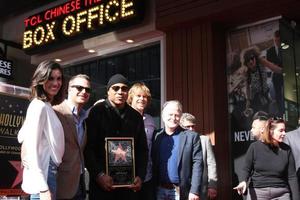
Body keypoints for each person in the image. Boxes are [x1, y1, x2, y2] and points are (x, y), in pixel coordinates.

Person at [84, 74, 148, 200]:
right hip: (101, 186)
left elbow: (142, 150)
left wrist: (140, 176)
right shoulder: (97, 112)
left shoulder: (136, 117)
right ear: (108, 91)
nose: (120, 92)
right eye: (116, 88)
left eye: (124, 89)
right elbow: (88, 148)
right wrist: (99, 175)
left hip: (128, 187)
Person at [18, 60, 66, 200]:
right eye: (50, 78)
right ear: (41, 79)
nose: (56, 83)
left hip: (49, 173)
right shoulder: (39, 106)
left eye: (59, 78)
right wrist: (43, 187)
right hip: (45, 175)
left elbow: (23, 135)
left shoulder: (45, 105)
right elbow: (31, 146)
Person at [234, 118, 300, 200]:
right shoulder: (255, 147)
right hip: (258, 192)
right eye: (281, 130)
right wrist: (243, 181)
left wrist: (296, 198)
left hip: (281, 193)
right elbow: (246, 169)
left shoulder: (286, 149)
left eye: (284, 130)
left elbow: (292, 177)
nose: (284, 133)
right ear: (270, 131)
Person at [152, 100, 203, 200]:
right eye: (170, 114)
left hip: (180, 191)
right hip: (159, 190)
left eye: (176, 115)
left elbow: (198, 164)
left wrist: (194, 190)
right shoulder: (156, 136)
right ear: (163, 115)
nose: (173, 118)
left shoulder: (191, 136)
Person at [53, 74, 91, 199]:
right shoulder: (56, 112)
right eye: (79, 88)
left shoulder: (85, 118)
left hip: (79, 183)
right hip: (59, 185)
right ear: (69, 89)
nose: (84, 92)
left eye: (87, 89)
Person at [127, 82, 156, 200]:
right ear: (131, 98)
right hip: (128, 176)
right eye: (138, 96)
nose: (142, 99)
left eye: (144, 97)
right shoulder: (124, 117)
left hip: (147, 176)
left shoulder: (150, 120)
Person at [180, 112, 218, 200]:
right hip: (182, 185)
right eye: (187, 127)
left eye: (193, 126)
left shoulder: (204, 140)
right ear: (181, 127)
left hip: (201, 186)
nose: (191, 129)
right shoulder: (178, 139)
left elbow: (211, 163)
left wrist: (212, 185)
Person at [242, 46, 282, 116]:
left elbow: (274, 68)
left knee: (272, 111)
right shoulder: (246, 71)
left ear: (255, 57)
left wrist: (285, 71)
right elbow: (247, 87)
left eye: (252, 58)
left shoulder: (261, 61)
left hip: (266, 91)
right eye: (248, 60)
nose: (250, 61)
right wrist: (248, 100)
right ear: (246, 63)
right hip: (255, 96)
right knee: (260, 115)